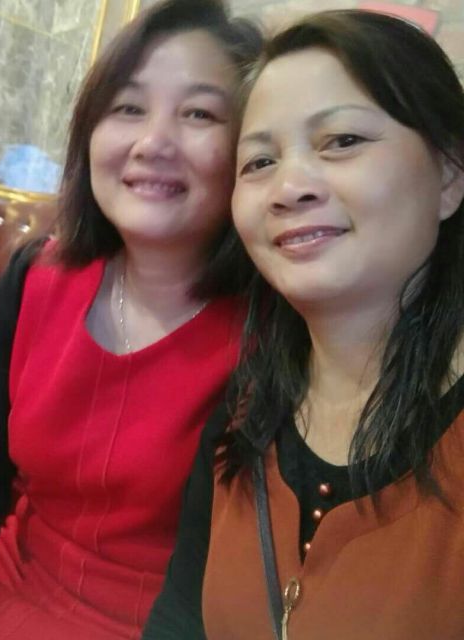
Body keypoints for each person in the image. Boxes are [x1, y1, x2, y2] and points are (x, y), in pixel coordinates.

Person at [0, 1, 262, 639]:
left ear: (252, 152)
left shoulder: (271, 331)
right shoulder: (36, 275)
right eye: (127, 107)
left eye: (199, 114)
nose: (152, 143)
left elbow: (211, 594)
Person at [144, 9, 464, 640]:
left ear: (450, 175)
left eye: (342, 141)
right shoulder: (244, 411)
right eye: (259, 162)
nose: (289, 187)